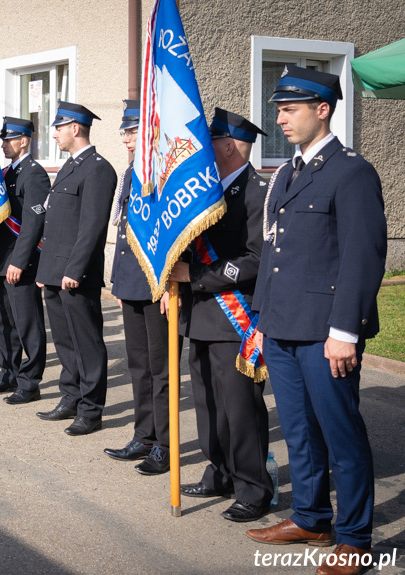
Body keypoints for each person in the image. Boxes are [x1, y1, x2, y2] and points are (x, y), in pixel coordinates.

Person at [245, 66, 386, 575]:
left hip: (326, 330)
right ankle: (310, 516)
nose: (279, 118)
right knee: (300, 431)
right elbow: (274, 251)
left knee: (340, 432)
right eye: (278, 109)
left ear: (322, 109)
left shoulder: (351, 171)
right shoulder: (286, 171)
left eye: (289, 109)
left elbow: (362, 257)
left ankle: (353, 537)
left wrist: (345, 331)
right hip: (282, 323)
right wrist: (260, 318)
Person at [167, 108, 273, 521]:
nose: (202, 148)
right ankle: (220, 471)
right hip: (201, 312)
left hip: (235, 317)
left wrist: (196, 275)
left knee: (241, 408)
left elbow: (255, 259)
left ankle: (254, 487)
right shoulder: (206, 190)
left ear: (228, 146)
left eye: (210, 141)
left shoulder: (256, 193)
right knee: (208, 402)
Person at [35, 102, 117, 436]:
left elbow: (92, 227)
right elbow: (56, 224)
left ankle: (91, 409)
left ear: (75, 128)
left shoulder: (98, 169)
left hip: (75, 273)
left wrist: (76, 269)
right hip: (54, 271)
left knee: (86, 341)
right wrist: (44, 271)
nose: (53, 134)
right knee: (65, 341)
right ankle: (70, 396)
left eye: (57, 127)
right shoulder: (71, 166)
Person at [103, 100, 174, 474]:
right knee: (139, 365)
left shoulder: (162, 171)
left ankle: (164, 444)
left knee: (161, 368)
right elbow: (125, 229)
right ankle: (143, 435)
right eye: (125, 131)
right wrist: (118, 279)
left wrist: (165, 283)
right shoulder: (134, 171)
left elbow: (167, 230)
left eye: (133, 131)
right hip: (132, 280)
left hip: (155, 283)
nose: (127, 138)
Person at [0, 117, 49, 404]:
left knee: (27, 323)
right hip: (0, 259)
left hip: (21, 262)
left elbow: (34, 223)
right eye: (2, 139)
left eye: (8, 139)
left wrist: (20, 261)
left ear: (24, 140)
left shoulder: (34, 174)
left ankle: (29, 381)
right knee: (3, 322)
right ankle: (7, 373)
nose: (3, 144)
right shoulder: (6, 172)